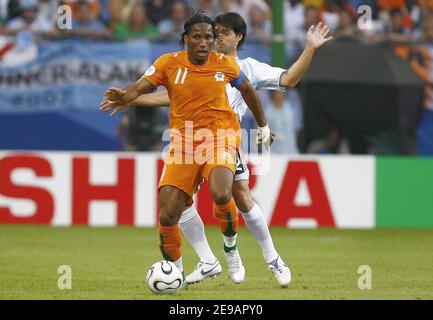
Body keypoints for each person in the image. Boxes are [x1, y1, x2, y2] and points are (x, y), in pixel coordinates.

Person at [102, 12, 332, 287]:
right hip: (187, 140)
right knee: (179, 204)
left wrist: (309, 48)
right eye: (213, 32)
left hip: (225, 137)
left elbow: (288, 79)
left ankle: (269, 257)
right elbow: (172, 94)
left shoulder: (245, 67)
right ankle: (206, 261)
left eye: (221, 32)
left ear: (238, 36)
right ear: (189, 37)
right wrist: (133, 98)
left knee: (238, 196)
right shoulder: (179, 65)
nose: (216, 37)